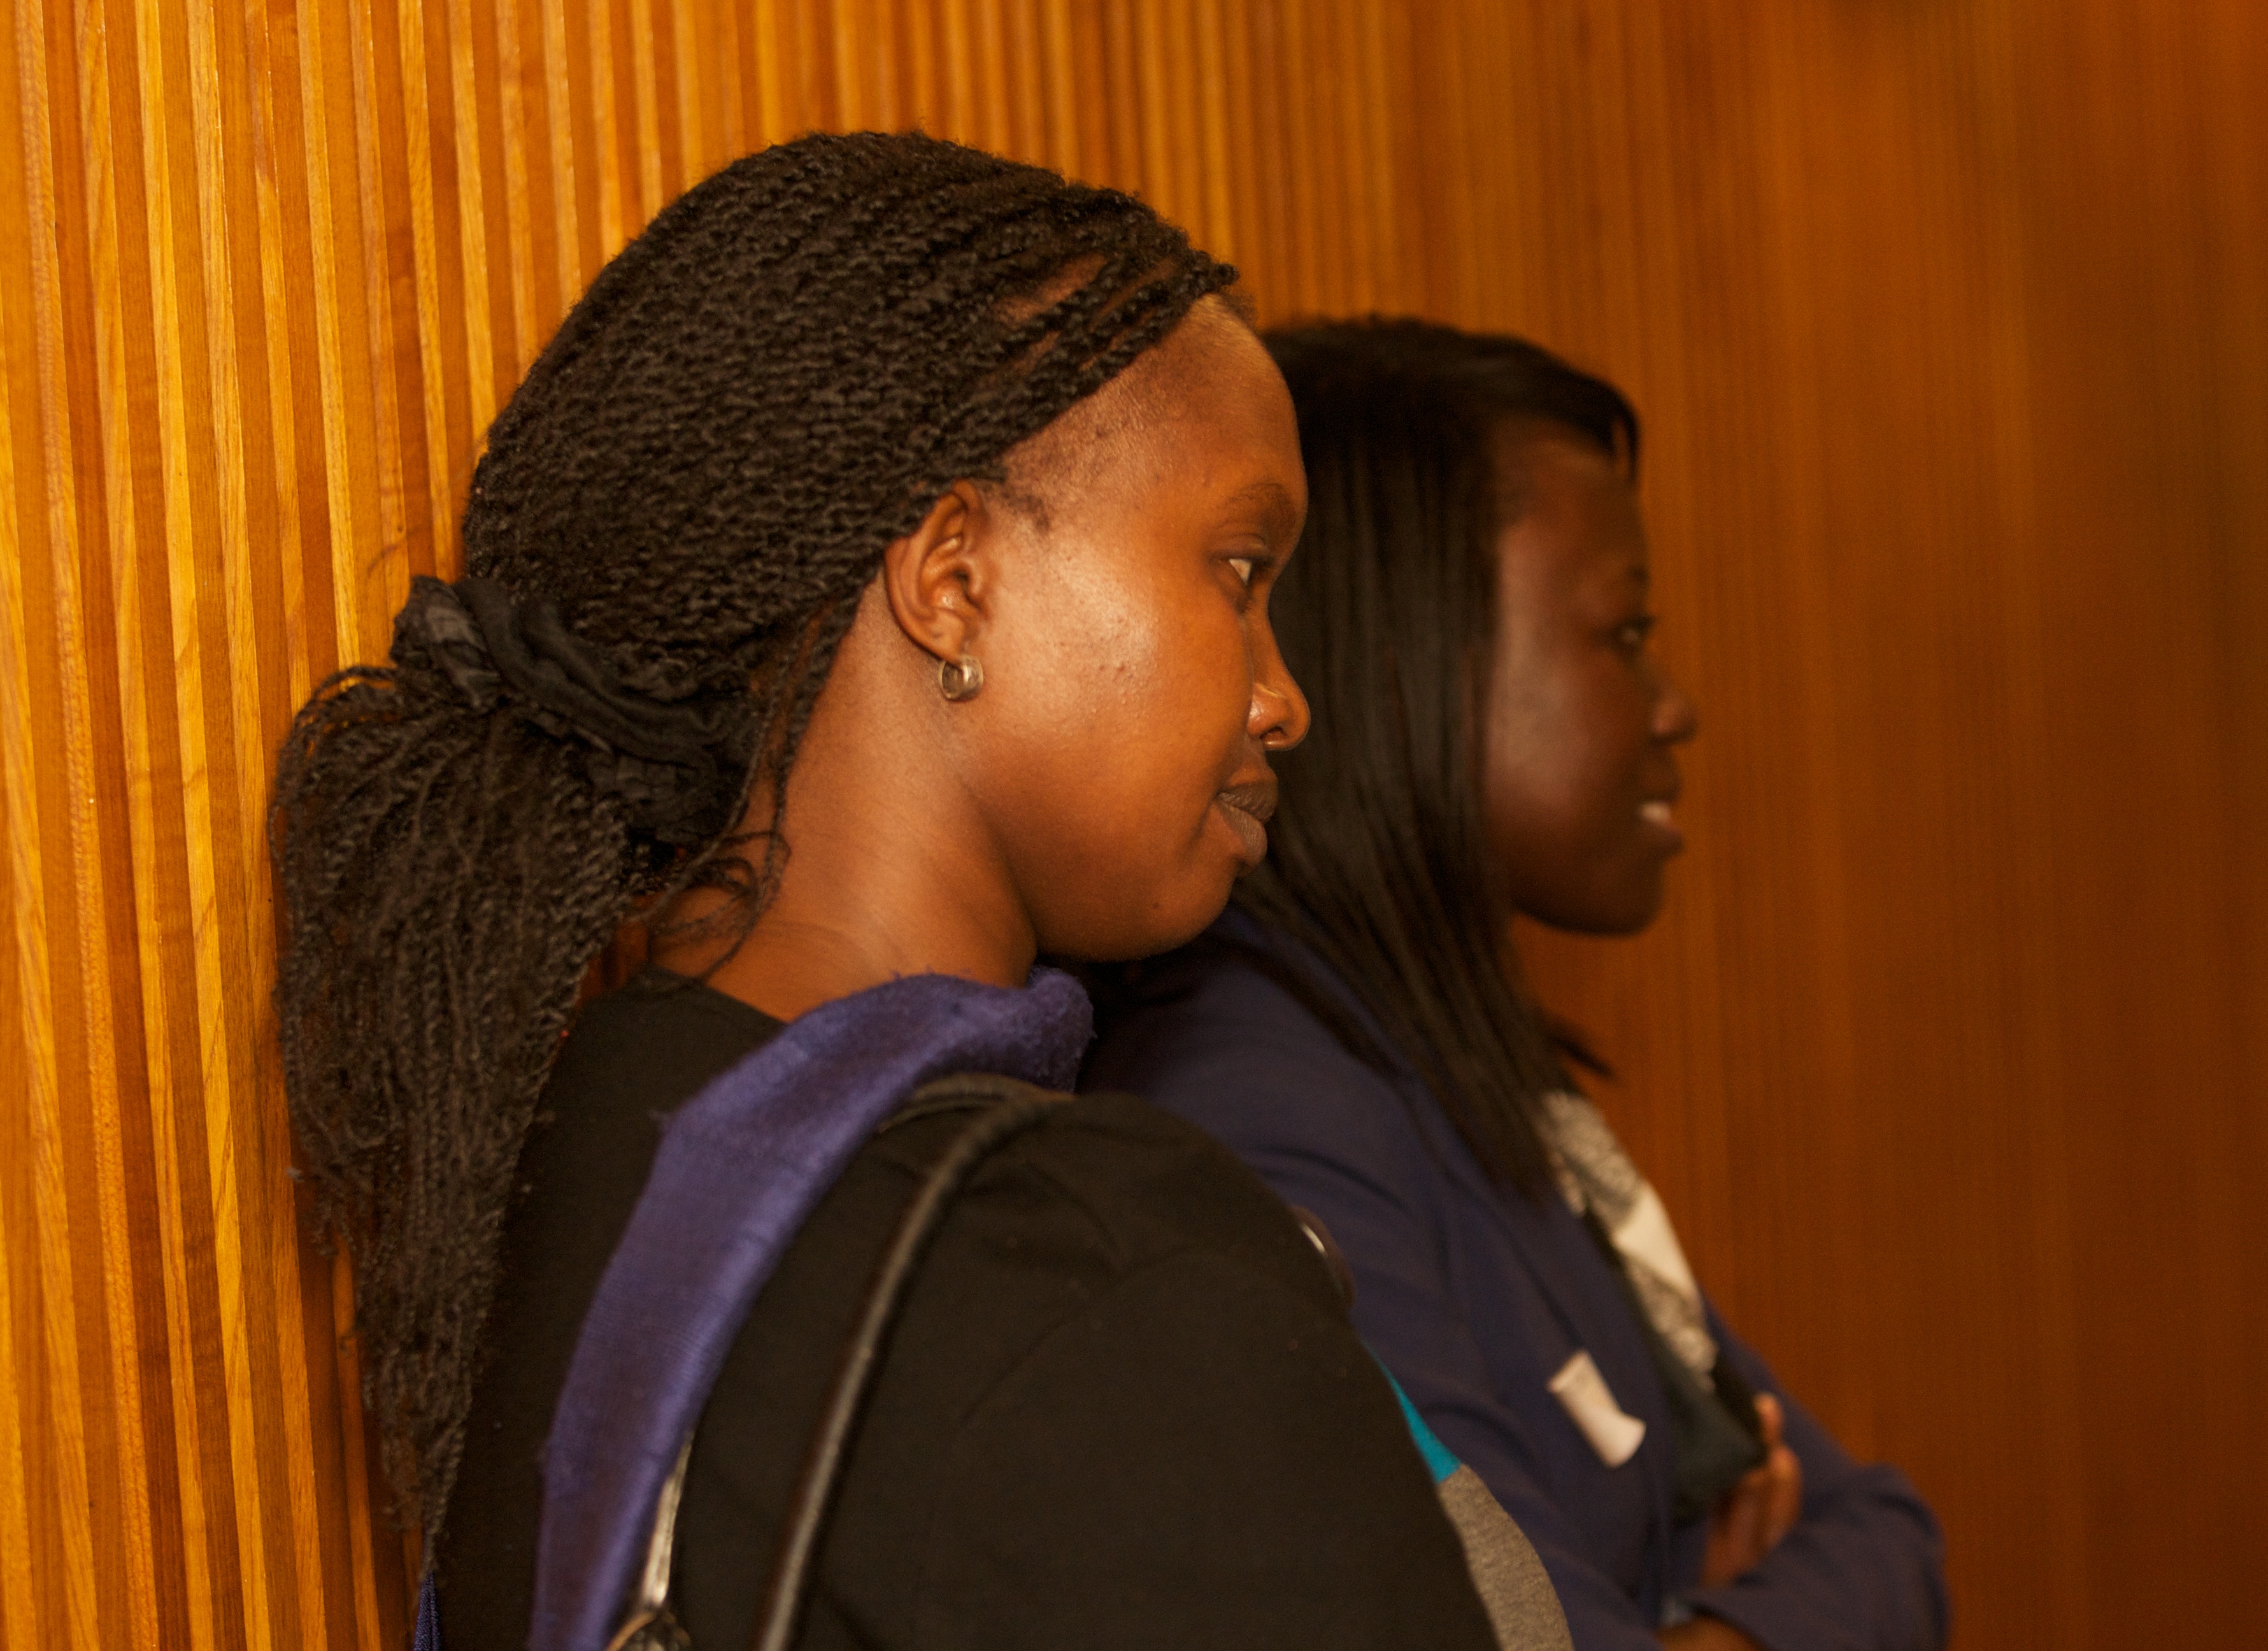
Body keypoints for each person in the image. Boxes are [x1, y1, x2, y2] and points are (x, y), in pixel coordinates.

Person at [271, 138, 1522, 1651]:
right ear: (953, 581)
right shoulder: (1087, 1269)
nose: (1282, 698)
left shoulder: (580, 1144)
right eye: (1241, 571)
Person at [1083, 318, 1950, 1651]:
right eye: (1625, 633)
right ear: (1411, 662)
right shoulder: (1256, 1114)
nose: (1674, 706)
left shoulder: (1454, 1059)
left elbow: (1886, 1537)